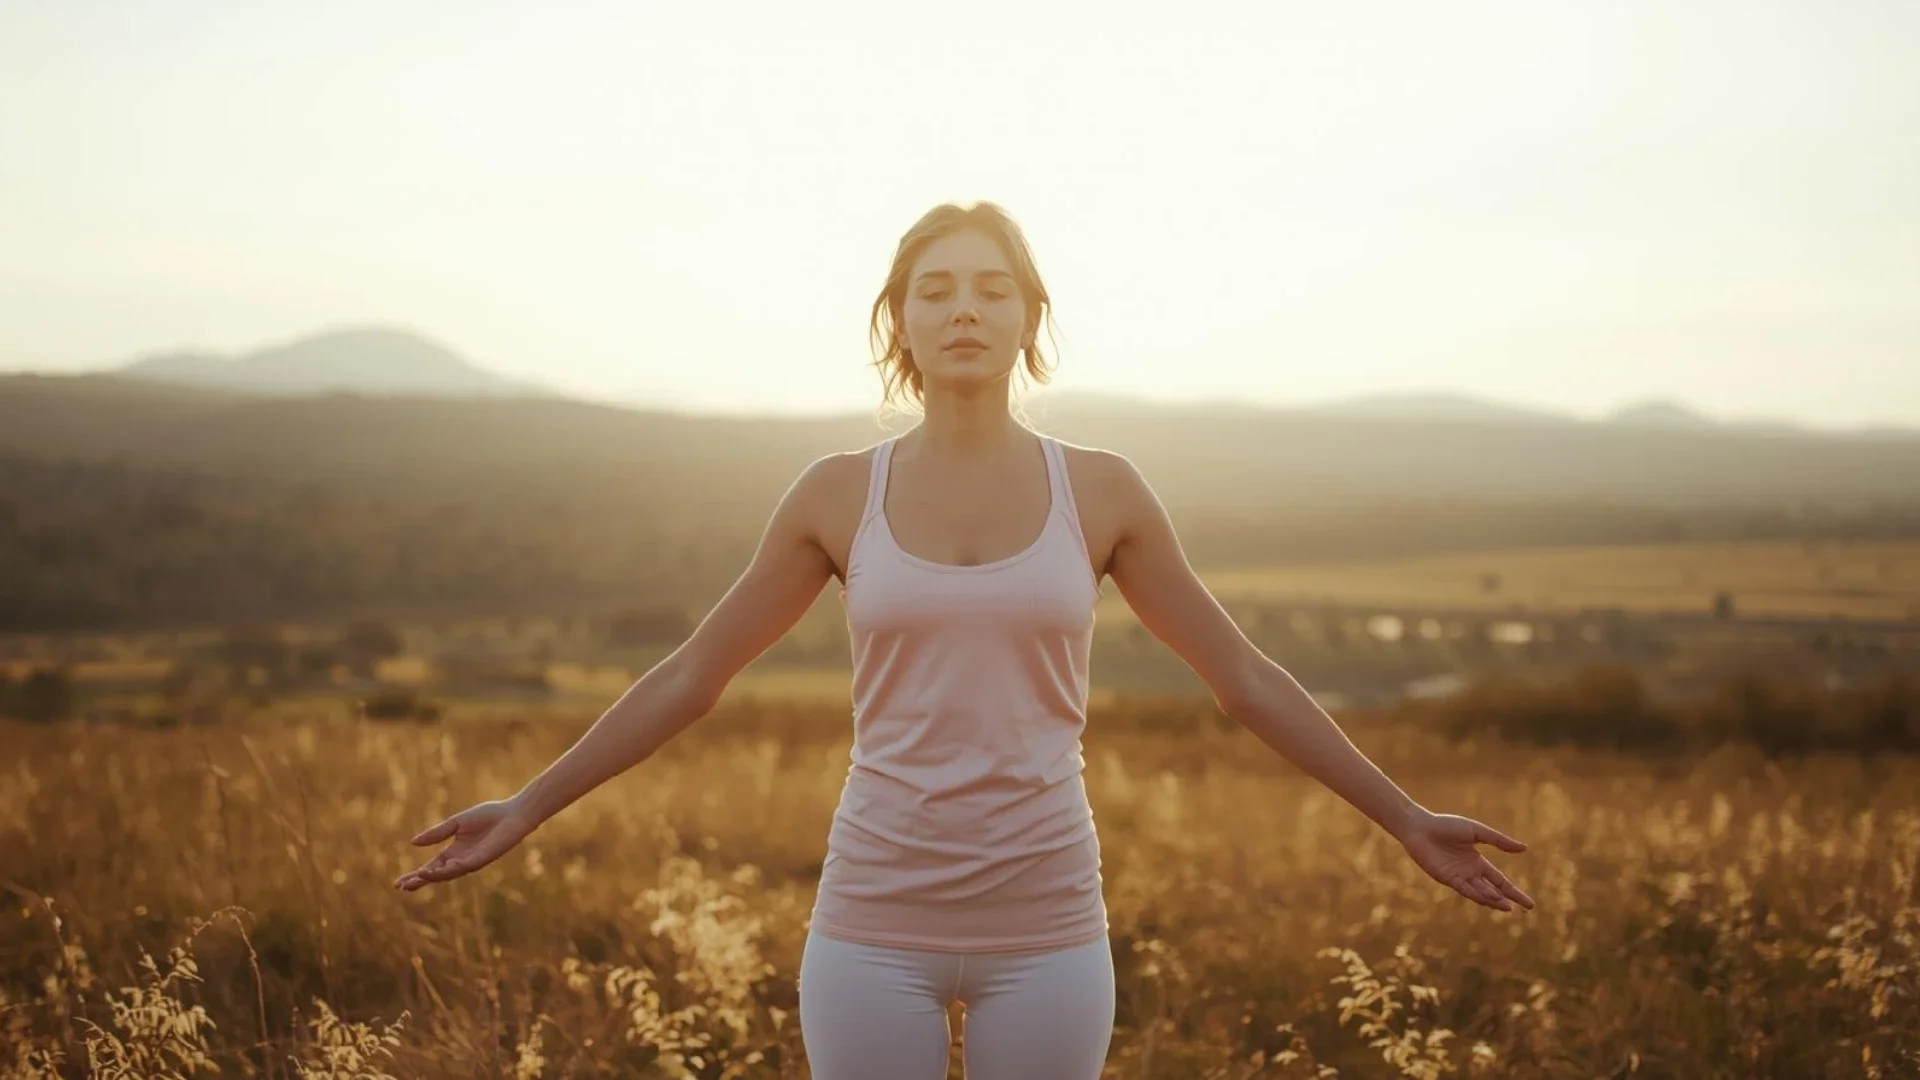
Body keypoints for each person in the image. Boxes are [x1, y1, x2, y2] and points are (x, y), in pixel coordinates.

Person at [393, 201, 1535, 1078]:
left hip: (1047, 925)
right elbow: (696, 675)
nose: (964, 311)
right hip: (871, 925)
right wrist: (528, 805)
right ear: (900, 319)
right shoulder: (837, 495)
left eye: (992, 289)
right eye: (934, 291)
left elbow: (1240, 675)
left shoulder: (1104, 489)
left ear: (1031, 315)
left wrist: (1403, 816)